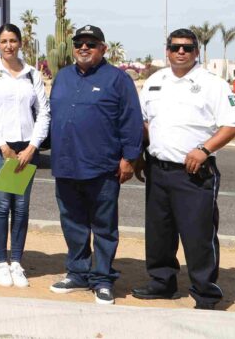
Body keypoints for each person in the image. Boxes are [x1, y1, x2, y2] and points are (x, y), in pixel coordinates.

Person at [133, 29, 235, 310]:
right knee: (159, 233)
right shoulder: (155, 81)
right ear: (167, 50)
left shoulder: (212, 84)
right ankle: (162, 282)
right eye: (175, 47)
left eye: (187, 47)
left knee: (198, 235)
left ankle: (206, 292)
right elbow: (145, 122)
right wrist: (141, 154)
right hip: (157, 170)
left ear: (196, 52)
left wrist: (204, 150)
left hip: (194, 172)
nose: (181, 52)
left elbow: (232, 124)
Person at [48, 24, 143, 305]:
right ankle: (78, 273)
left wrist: (129, 159)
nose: (84, 48)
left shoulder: (117, 79)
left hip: (103, 168)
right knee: (73, 223)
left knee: (103, 226)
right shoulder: (63, 77)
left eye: (91, 44)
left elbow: (131, 121)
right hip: (66, 165)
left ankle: (102, 278)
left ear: (103, 48)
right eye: (79, 44)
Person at [0, 23, 49, 287]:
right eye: (4, 41)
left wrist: (32, 147)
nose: (9, 45)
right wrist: (1, 146)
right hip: (0, 148)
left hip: (26, 148)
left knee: (21, 206)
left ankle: (16, 262)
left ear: (21, 43)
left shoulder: (32, 74)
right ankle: (0, 262)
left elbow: (43, 112)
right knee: (1, 205)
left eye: (13, 41)